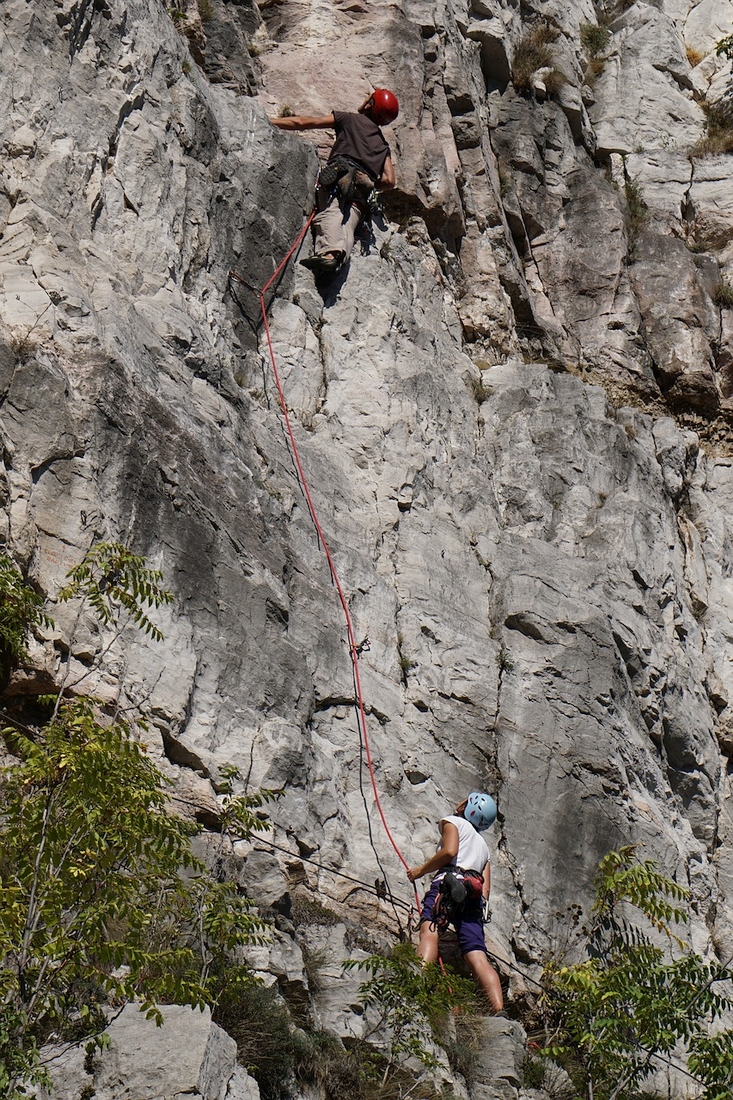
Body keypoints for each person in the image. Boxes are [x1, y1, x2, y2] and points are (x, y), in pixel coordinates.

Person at [269, 89, 398, 276]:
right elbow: (389, 180)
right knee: (349, 224)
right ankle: (339, 260)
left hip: (341, 176)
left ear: (370, 105)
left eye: (368, 98)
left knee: (331, 212)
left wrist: (271, 121)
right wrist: (370, 183)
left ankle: (329, 255)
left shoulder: (349, 119)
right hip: (364, 190)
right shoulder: (382, 145)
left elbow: (304, 123)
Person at [407, 792, 505, 1014]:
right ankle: (499, 1009)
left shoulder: (454, 822)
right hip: (473, 897)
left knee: (429, 931)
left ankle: (414, 984)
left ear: (468, 809)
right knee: (477, 955)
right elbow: (486, 889)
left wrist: (419, 871)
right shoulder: (484, 848)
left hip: (449, 884)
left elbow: (449, 851)